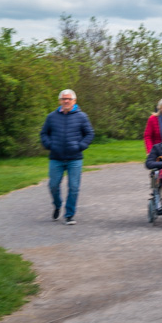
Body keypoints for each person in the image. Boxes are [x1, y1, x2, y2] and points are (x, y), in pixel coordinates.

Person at [40, 89, 94, 225]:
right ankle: (57, 205)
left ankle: (69, 215)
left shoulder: (82, 116)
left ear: (74, 101)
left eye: (69, 99)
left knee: (74, 187)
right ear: (60, 101)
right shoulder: (51, 117)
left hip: (75, 158)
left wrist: (80, 146)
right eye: (64, 99)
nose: (66, 101)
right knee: (53, 185)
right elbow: (44, 133)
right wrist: (49, 145)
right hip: (56, 158)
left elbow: (89, 134)